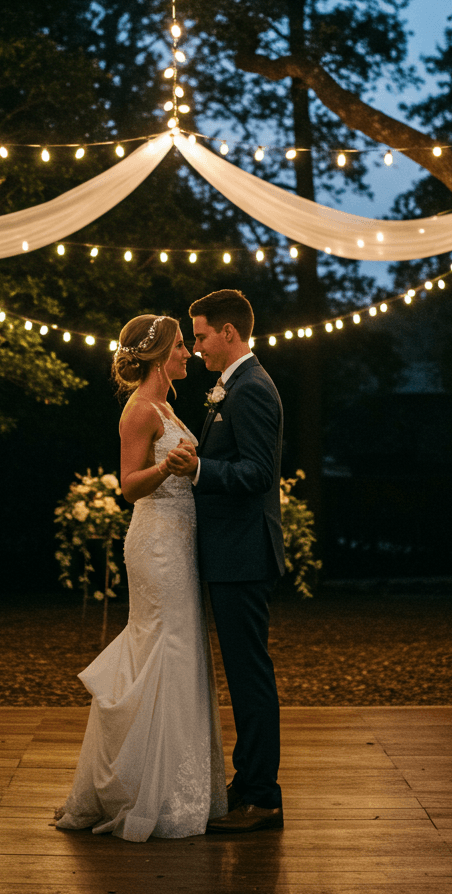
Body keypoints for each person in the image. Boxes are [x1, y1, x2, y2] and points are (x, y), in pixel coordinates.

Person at [55, 314, 226, 842]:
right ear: (157, 356)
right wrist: (169, 468)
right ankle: (146, 790)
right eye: (180, 346)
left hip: (180, 542)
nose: (188, 353)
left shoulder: (167, 405)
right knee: (163, 649)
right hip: (155, 543)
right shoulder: (138, 411)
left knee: (180, 650)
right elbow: (129, 487)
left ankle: (178, 783)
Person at [166, 288, 286, 834]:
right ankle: (248, 785)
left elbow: (259, 473)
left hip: (242, 554)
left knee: (250, 677)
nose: (197, 348)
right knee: (242, 676)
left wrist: (198, 472)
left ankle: (262, 797)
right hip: (229, 553)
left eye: (202, 336)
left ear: (229, 333)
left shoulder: (251, 388)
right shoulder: (231, 387)